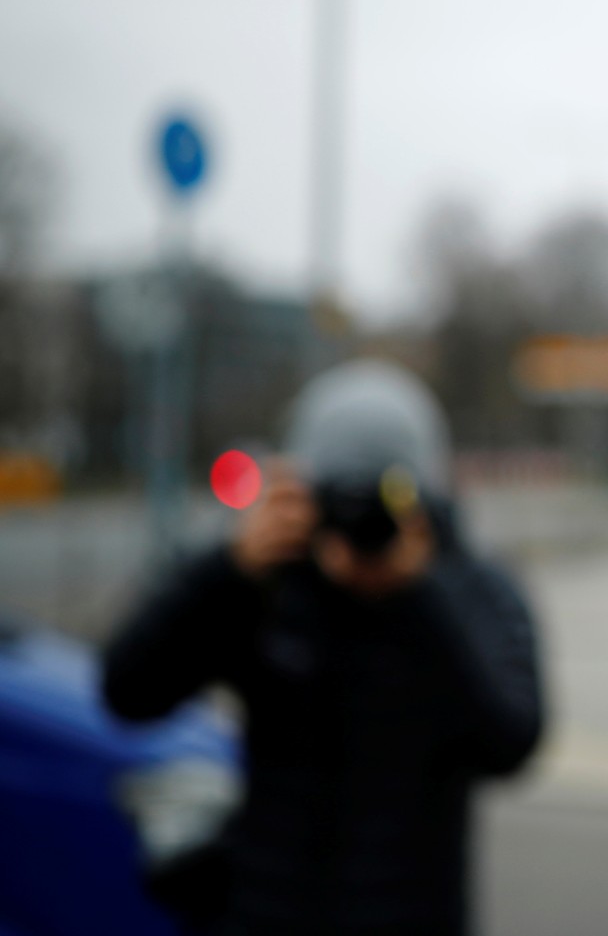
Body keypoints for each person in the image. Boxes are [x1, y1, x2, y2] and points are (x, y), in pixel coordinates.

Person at [102, 359, 544, 936]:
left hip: (412, 911)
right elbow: (129, 691)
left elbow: (511, 741)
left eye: (384, 495)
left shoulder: (469, 585)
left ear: (425, 496)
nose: (358, 520)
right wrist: (227, 571)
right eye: (338, 494)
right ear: (300, 489)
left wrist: (420, 596)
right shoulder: (270, 581)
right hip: (267, 909)